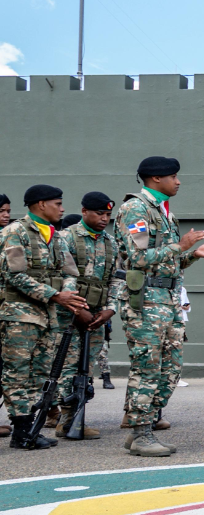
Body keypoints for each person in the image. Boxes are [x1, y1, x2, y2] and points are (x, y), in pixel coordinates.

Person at [113, 157, 204, 457]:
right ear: (156, 179)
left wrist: (195, 254)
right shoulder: (135, 209)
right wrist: (181, 246)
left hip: (168, 300)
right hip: (145, 300)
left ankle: (143, 428)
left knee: (170, 370)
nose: (179, 181)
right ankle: (141, 433)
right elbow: (137, 258)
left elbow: (167, 261)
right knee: (147, 368)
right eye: (174, 176)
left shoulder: (163, 213)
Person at [1, 185, 89, 450]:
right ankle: (21, 431)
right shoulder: (14, 232)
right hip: (18, 316)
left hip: (47, 316)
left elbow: (70, 270)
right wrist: (54, 295)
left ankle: (30, 429)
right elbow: (13, 275)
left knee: (39, 373)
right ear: (41, 205)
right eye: (58, 204)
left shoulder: (55, 236)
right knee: (17, 374)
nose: (62, 209)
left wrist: (68, 291)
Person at [53, 192, 120, 439]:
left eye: (108, 215)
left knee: (86, 369)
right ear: (84, 212)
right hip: (67, 316)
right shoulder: (64, 238)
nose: (104, 219)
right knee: (67, 367)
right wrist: (77, 309)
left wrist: (110, 308)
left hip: (97, 317)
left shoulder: (111, 242)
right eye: (99, 214)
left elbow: (116, 278)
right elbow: (57, 276)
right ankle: (65, 419)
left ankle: (72, 420)